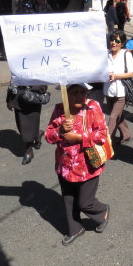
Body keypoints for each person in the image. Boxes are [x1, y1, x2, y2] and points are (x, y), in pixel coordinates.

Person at [45, 83, 110, 246]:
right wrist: (59, 130)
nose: (81, 96)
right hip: (65, 166)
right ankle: (75, 228)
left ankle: (102, 212)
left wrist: (80, 138)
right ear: (66, 94)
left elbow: (102, 135)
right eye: (75, 92)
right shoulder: (59, 109)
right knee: (68, 200)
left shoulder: (92, 107)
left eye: (83, 92)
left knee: (85, 202)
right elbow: (48, 136)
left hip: (88, 167)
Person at [6, 80, 48, 165]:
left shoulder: (38, 67)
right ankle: (37, 135)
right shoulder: (18, 67)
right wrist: (9, 100)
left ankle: (28, 151)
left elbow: (43, 84)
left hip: (32, 100)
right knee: (21, 125)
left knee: (31, 125)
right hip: (19, 99)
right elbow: (12, 81)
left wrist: (32, 87)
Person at [104, 30, 133, 144]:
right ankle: (126, 134)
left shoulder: (126, 54)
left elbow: (131, 73)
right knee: (117, 115)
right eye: (112, 40)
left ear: (122, 43)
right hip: (108, 90)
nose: (113, 43)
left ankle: (107, 141)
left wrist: (116, 76)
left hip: (121, 91)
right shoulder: (105, 54)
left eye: (117, 40)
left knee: (112, 116)